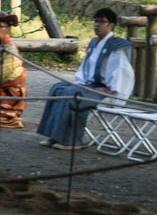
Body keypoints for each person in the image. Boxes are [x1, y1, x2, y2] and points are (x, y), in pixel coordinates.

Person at [37, 8, 134, 151]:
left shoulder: (116, 47)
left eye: (102, 22)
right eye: (96, 21)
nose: (97, 25)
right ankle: (54, 135)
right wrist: (80, 82)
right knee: (58, 89)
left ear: (111, 25)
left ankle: (71, 140)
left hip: (105, 90)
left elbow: (122, 71)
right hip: (89, 84)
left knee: (75, 97)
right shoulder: (93, 43)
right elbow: (85, 67)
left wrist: (112, 89)